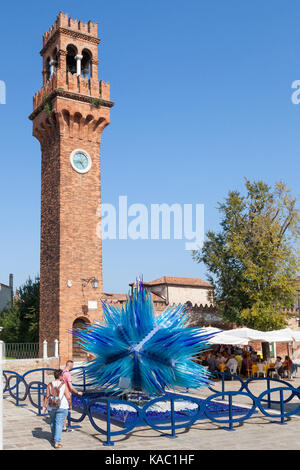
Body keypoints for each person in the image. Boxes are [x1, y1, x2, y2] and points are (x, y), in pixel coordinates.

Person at [42, 369, 72, 449]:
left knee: (52, 422)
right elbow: (68, 397)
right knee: (59, 424)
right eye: (62, 375)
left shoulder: (50, 384)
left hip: (51, 406)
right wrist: (70, 406)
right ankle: (57, 442)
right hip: (62, 406)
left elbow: (46, 396)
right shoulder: (63, 385)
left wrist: (44, 406)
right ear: (60, 376)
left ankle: (53, 437)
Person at [62, 360, 83, 432]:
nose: (73, 367)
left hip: (61, 393)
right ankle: (64, 427)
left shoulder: (62, 372)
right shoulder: (67, 374)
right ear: (70, 366)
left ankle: (62, 426)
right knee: (66, 411)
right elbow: (70, 386)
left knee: (63, 410)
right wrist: (77, 392)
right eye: (72, 365)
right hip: (67, 394)